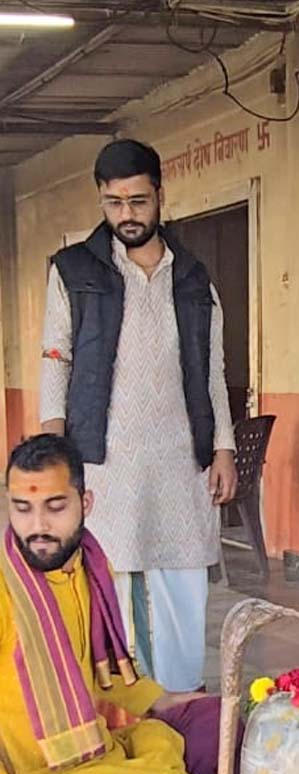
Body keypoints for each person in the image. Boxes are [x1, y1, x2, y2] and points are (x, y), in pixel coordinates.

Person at [39, 139, 237, 693]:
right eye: (114, 203)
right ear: (101, 201)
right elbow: (56, 358)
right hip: (106, 459)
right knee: (114, 583)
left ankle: (180, 702)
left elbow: (212, 369)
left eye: (138, 201)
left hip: (181, 460)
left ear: (159, 195)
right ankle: (123, 709)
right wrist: (55, 453)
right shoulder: (73, 270)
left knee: (182, 585)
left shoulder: (194, 276)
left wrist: (223, 448)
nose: (127, 215)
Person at [0, 435, 222, 774]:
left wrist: (163, 700)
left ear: (85, 504)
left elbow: (106, 668)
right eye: (23, 509)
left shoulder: (90, 568)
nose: (37, 526)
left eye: (55, 507)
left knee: (229, 722)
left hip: (103, 744)